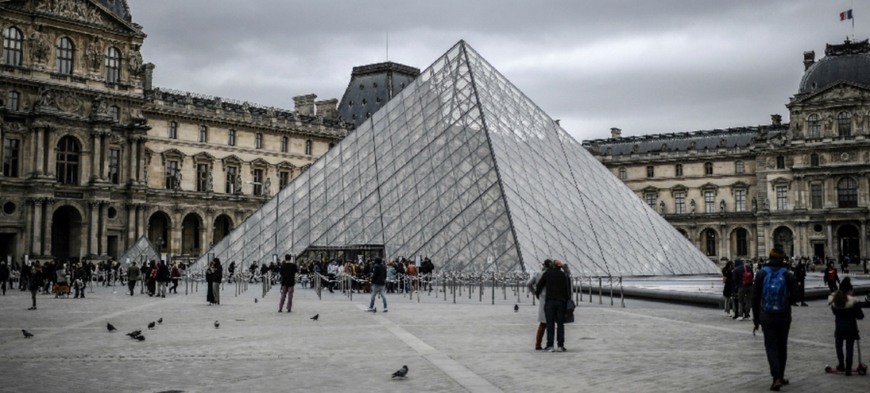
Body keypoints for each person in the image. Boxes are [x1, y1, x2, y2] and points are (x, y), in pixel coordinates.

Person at [752, 245, 797, 391]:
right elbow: (796, 297)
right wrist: (785, 302)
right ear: (783, 258)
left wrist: (756, 318)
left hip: (766, 315)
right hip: (783, 316)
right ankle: (781, 376)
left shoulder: (761, 273)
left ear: (769, 258)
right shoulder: (788, 274)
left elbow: (755, 297)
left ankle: (776, 377)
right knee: (782, 346)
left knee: (771, 347)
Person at [828, 277, 864, 375]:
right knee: (849, 347)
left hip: (839, 326)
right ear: (849, 290)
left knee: (839, 346)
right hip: (851, 327)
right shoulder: (853, 301)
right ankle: (848, 369)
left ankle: (841, 365)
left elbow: (834, 312)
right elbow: (860, 316)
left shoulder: (835, 300)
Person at [535, 258, 570, 352]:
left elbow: (539, 285)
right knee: (560, 324)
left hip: (550, 302)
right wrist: (567, 302)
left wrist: (538, 295)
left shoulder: (547, 274)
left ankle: (550, 345)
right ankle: (560, 346)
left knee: (550, 324)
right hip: (561, 302)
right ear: (560, 267)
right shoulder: (563, 275)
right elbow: (567, 290)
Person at [528, 259, 552, 350]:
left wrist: (535, 293)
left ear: (544, 265)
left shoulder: (538, 274)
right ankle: (550, 344)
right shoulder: (551, 274)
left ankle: (538, 344)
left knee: (542, 324)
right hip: (552, 300)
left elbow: (528, 284)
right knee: (551, 324)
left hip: (542, 300)